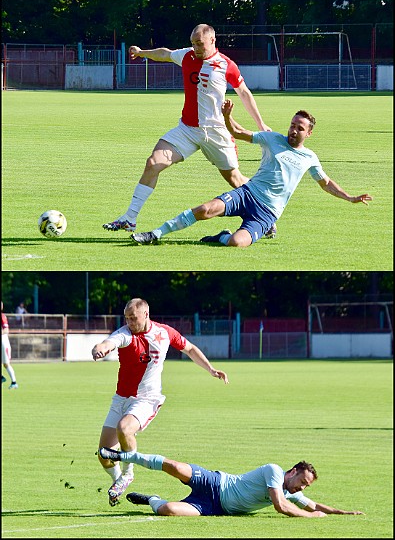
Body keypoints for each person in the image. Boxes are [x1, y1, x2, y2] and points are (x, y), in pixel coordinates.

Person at [102, 23, 275, 237]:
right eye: (193, 43)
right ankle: (129, 219)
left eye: (200, 44)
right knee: (153, 163)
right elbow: (165, 54)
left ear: (212, 40)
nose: (195, 48)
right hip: (187, 130)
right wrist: (141, 52)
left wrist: (260, 124)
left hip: (216, 133)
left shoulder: (226, 65)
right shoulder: (187, 56)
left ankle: (265, 212)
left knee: (235, 179)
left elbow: (244, 93)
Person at [130, 100, 373, 247]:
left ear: (308, 133)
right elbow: (238, 132)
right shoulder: (272, 139)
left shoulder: (309, 158)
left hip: (268, 213)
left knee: (238, 242)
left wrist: (350, 197)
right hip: (247, 193)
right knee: (205, 210)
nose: (293, 130)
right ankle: (157, 233)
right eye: (292, 125)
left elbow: (326, 183)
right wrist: (227, 116)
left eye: (299, 128)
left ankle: (222, 237)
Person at [92, 298, 229, 507]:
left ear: (146, 314)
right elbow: (108, 343)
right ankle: (118, 481)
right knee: (104, 455)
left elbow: (190, 349)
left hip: (146, 399)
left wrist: (210, 369)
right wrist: (99, 349)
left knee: (125, 429)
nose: (129, 322)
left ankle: (129, 473)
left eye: (133, 318)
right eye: (126, 318)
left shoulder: (164, 333)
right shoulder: (124, 334)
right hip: (120, 399)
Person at [98, 446, 365, 518]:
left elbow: (313, 504)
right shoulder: (274, 472)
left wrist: (342, 512)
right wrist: (310, 518)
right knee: (174, 466)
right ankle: (121, 455)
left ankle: (149, 499)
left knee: (169, 510)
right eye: (302, 482)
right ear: (292, 470)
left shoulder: (289, 493)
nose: (301, 489)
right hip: (215, 483)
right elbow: (281, 508)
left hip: (215, 508)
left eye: (305, 487)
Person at [2, 302, 18, 389]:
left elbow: (6, 330)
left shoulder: (2, 316)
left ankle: (14, 382)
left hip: (3, 343)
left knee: (6, 364)